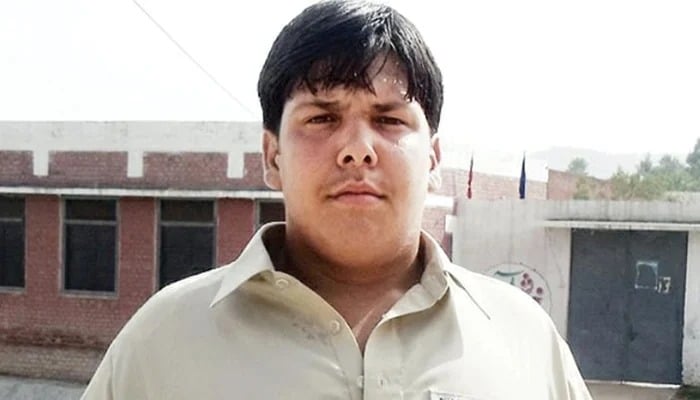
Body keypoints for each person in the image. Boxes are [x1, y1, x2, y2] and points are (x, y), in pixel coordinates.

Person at [82, 1, 592, 398]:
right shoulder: (165, 339)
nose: (356, 150)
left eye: (389, 119)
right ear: (272, 156)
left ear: (433, 160)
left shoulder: (523, 339)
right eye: (321, 118)